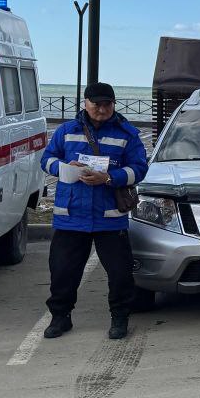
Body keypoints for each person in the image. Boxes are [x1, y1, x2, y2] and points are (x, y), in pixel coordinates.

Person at [40, 82, 148, 340]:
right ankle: (60, 318)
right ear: (85, 103)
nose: (101, 109)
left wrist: (109, 178)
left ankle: (119, 319)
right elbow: (46, 159)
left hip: (109, 217)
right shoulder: (66, 131)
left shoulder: (128, 134)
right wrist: (65, 167)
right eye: (96, 103)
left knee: (120, 273)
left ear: (114, 104)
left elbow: (139, 168)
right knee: (63, 272)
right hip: (71, 216)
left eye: (107, 104)